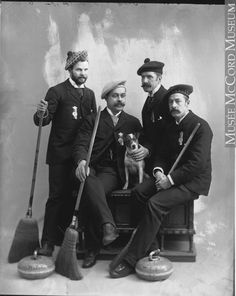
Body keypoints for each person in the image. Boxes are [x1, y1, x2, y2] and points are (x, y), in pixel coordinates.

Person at [109, 84, 213, 278]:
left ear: (188, 103)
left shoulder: (201, 127)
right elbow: (161, 156)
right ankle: (152, 245)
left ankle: (131, 259)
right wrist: (158, 172)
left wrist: (170, 180)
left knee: (155, 203)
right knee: (139, 192)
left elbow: (196, 165)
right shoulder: (169, 126)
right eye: (171, 102)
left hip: (191, 182)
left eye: (178, 101)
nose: (174, 105)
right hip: (168, 176)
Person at [72, 80, 142, 268]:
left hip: (113, 172)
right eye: (115, 96)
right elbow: (80, 144)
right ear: (106, 98)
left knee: (91, 187)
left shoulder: (133, 123)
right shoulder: (92, 119)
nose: (120, 99)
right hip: (92, 166)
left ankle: (92, 248)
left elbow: (143, 148)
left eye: (122, 95)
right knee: (88, 180)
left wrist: (143, 152)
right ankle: (107, 227)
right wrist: (82, 161)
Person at [33, 50, 97, 256]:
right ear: (70, 69)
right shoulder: (56, 91)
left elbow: (94, 125)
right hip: (60, 154)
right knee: (57, 197)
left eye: (86, 69)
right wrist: (40, 113)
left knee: (77, 197)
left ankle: (72, 240)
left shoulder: (90, 95)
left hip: (81, 157)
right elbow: (43, 120)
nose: (83, 73)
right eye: (79, 69)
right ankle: (48, 242)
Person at [131, 58, 173, 175]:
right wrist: (142, 149)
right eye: (142, 77)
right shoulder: (150, 99)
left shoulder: (167, 99)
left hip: (167, 163)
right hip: (153, 159)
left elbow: (168, 135)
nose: (144, 81)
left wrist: (148, 150)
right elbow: (149, 132)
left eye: (149, 77)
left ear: (159, 78)